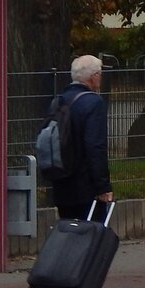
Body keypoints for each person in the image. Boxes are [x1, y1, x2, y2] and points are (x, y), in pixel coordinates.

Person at [49, 54, 113, 222]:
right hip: (85, 185)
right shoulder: (93, 103)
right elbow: (95, 146)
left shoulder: (58, 101)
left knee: (69, 234)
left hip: (61, 180)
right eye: (99, 73)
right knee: (91, 236)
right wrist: (103, 186)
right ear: (93, 77)